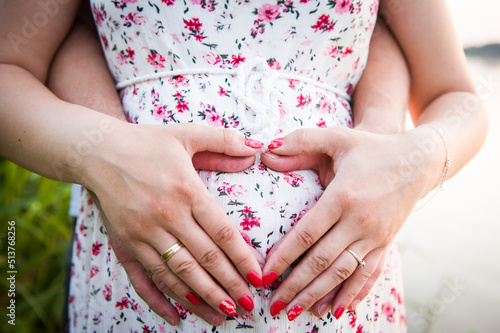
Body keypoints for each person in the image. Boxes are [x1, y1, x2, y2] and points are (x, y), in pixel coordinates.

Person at [0, 0, 488, 332]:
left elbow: (457, 98)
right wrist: (99, 154)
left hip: (344, 302)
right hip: (139, 292)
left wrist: (413, 165)